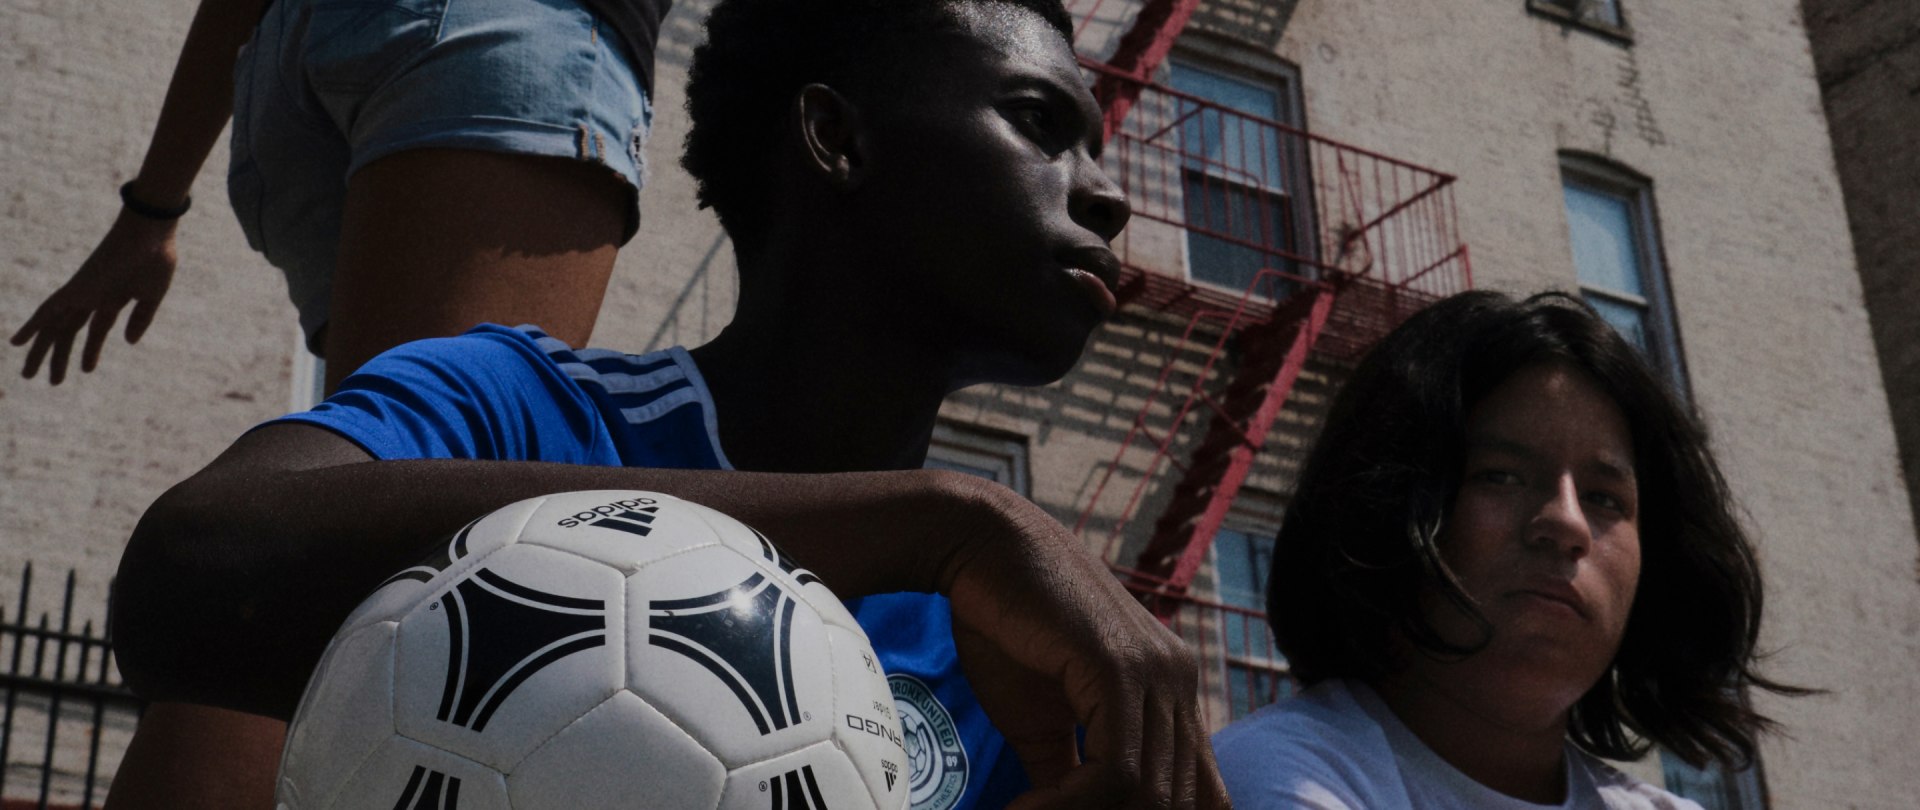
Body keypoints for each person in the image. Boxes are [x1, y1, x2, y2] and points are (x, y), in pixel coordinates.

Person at [108, 0, 1230, 808]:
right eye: (1040, 123)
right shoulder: (517, 403)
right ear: (835, 138)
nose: (1110, 192)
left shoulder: (1020, 651)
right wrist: (938, 527)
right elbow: (188, 577)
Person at [1212, 291, 1808, 809]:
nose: (1566, 522)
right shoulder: (1273, 776)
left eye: (1604, 498)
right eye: (1500, 476)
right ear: (1385, 506)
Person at [10, 0, 668, 390]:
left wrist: (152, 208)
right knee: (415, 511)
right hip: (488, 35)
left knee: (366, 492)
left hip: (292, 44)